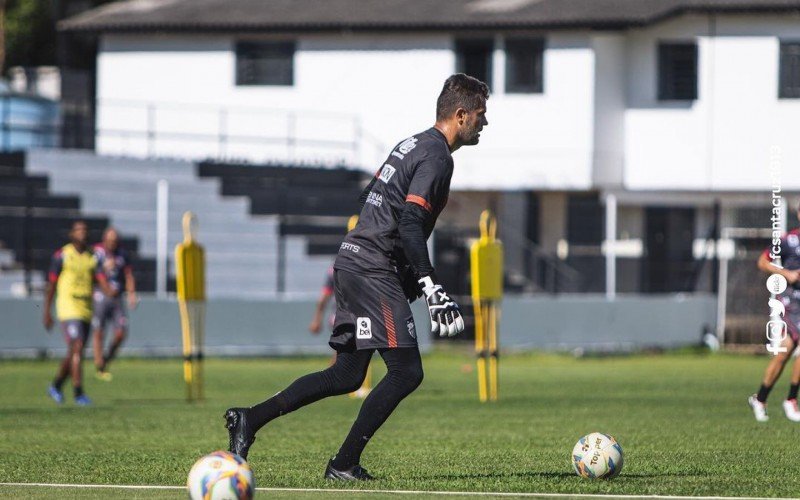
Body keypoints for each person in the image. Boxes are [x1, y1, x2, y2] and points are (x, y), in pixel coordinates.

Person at [224, 73, 488, 480]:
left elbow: (371, 199)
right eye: (481, 115)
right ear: (460, 115)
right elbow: (411, 223)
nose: (484, 123)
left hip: (354, 260)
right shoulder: (437, 157)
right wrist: (430, 283)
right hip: (371, 268)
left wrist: (406, 275)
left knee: (346, 375)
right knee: (406, 372)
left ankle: (249, 419)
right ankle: (343, 464)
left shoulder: (411, 143)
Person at [44, 221, 115, 406]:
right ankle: (79, 393)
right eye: (79, 230)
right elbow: (51, 285)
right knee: (77, 346)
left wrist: (110, 291)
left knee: (76, 350)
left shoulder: (93, 256)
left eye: (85, 230)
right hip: (67, 307)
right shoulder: (63, 255)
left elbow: (100, 278)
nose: (83, 233)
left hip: (86, 308)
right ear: (72, 234)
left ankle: (56, 385)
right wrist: (47, 311)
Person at [309, 216, 372, 399]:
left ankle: (323, 386)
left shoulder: (339, 259)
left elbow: (324, 297)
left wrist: (317, 319)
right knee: (355, 353)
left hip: (339, 316)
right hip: (353, 315)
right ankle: (346, 388)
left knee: (344, 356)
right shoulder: (367, 259)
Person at [749, 201, 800, 422]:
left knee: (785, 351)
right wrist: (786, 274)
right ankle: (791, 400)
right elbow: (762, 261)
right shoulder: (789, 240)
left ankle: (760, 398)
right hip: (791, 300)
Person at [92, 227, 137, 381]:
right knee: (99, 331)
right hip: (100, 296)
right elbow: (92, 272)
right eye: (110, 240)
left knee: (121, 333)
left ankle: (106, 360)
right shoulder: (96, 252)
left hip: (117, 298)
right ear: (104, 239)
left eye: (115, 241)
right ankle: (99, 366)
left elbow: (128, 274)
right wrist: (105, 286)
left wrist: (131, 294)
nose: (112, 243)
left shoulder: (122, 254)